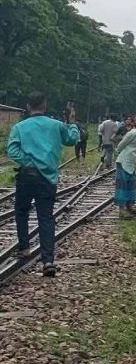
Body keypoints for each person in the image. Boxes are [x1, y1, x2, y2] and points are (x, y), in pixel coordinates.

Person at [6, 92, 79, 277]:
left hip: (27, 176)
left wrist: (29, 162)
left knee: (21, 211)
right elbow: (72, 139)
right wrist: (72, 122)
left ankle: (24, 248)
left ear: (28, 107)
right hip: (47, 178)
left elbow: (12, 150)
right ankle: (48, 261)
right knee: (46, 217)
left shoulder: (19, 127)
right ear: (45, 105)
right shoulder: (56, 125)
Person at [114, 115, 136, 219]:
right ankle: (122, 210)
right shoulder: (133, 133)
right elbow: (121, 145)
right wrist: (124, 154)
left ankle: (130, 206)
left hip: (133, 164)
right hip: (124, 162)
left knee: (131, 186)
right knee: (122, 186)